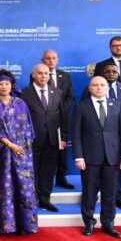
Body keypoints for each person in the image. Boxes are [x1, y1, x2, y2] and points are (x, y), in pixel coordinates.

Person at [0, 70, 38, 235]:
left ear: (12, 86)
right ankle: (5, 225)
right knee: (4, 186)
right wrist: (10, 145)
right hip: (0, 154)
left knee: (23, 185)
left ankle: (25, 225)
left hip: (20, 153)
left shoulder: (20, 103)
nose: (4, 87)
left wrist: (20, 147)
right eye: (0, 84)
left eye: (7, 84)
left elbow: (27, 128)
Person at [72, 76, 121, 238]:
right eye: (95, 85)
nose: (99, 88)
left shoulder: (117, 106)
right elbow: (76, 135)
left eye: (102, 85)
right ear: (90, 88)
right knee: (89, 192)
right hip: (89, 158)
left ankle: (108, 223)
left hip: (112, 158)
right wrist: (78, 156)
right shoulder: (81, 107)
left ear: (107, 87)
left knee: (110, 193)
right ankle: (89, 223)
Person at [82, 63, 121, 211]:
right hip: (96, 142)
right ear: (102, 73)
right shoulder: (92, 89)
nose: (111, 74)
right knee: (94, 176)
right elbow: (84, 112)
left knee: (119, 172)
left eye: (114, 71)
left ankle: (118, 198)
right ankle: (92, 199)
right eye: (107, 71)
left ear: (118, 73)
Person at [22, 64, 68, 212]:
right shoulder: (24, 93)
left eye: (46, 73)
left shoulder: (57, 92)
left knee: (49, 170)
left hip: (53, 139)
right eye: (40, 73)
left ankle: (45, 198)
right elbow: (21, 119)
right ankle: (32, 198)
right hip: (32, 139)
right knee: (32, 170)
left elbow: (62, 116)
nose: (43, 76)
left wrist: (63, 137)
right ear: (33, 75)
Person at [37, 50, 76, 190]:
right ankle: (44, 180)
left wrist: (60, 109)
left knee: (62, 149)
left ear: (57, 60)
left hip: (62, 118)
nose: (51, 61)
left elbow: (70, 96)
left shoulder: (65, 75)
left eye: (53, 58)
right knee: (47, 150)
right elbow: (37, 97)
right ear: (43, 60)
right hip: (45, 120)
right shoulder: (36, 75)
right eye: (48, 58)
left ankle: (61, 177)